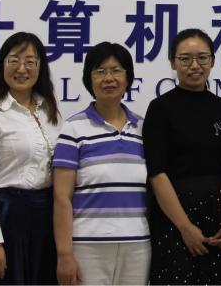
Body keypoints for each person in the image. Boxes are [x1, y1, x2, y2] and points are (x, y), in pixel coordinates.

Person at [144, 28, 221, 284]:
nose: (194, 65)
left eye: (202, 57)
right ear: (173, 63)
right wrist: (185, 226)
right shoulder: (159, 109)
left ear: (213, 61)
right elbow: (157, 173)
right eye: (185, 59)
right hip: (174, 220)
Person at [52, 42, 150, 285]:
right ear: (89, 79)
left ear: (128, 78)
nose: (109, 78)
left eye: (116, 70)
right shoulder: (73, 128)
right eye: (100, 71)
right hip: (87, 247)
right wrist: (64, 254)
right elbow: (62, 197)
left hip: (137, 245)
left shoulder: (143, 128)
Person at [0, 32, 62, 284]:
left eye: (30, 62)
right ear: (2, 66)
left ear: (40, 67)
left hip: (45, 220)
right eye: (14, 61)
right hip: (7, 219)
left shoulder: (50, 111)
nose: (22, 69)